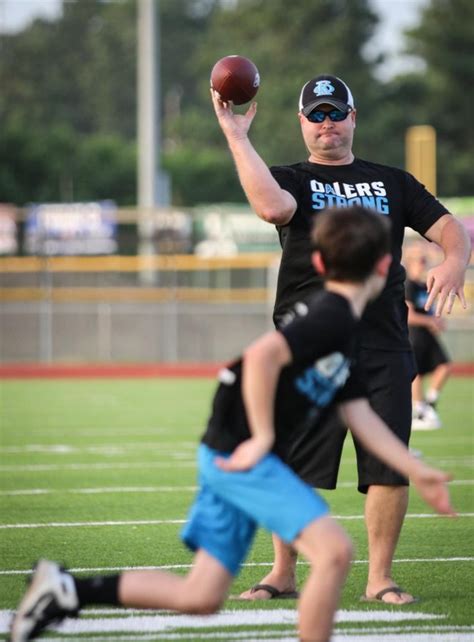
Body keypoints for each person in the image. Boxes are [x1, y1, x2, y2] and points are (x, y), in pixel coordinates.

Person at [9, 208, 456, 642]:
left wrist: (414, 470)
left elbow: (358, 412)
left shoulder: (345, 323)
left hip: (223, 451)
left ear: (318, 263)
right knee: (335, 552)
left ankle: (66, 590)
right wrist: (262, 437)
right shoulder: (333, 315)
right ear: (386, 265)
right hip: (241, 456)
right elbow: (262, 356)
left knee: (200, 595)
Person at [211, 73, 471, 604]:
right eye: (316, 114)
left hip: (382, 343)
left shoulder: (393, 181)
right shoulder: (291, 177)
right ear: (302, 123)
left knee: (389, 463)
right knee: (292, 462)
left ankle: (380, 579)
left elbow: (448, 226)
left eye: (335, 112)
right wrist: (236, 135)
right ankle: (281, 572)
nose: (326, 123)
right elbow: (272, 209)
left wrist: (455, 261)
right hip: (308, 342)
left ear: (353, 117)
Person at [405, 245, 452, 431]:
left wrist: (436, 322)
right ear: (410, 263)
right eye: (419, 261)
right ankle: (419, 411)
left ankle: (430, 403)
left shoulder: (423, 285)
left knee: (444, 366)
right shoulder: (407, 284)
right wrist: (430, 321)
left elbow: (428, 310)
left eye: (424, 261)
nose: (422, 264)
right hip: (414, 334)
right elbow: (408, 315)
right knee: (417, 373)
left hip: (426, 334)